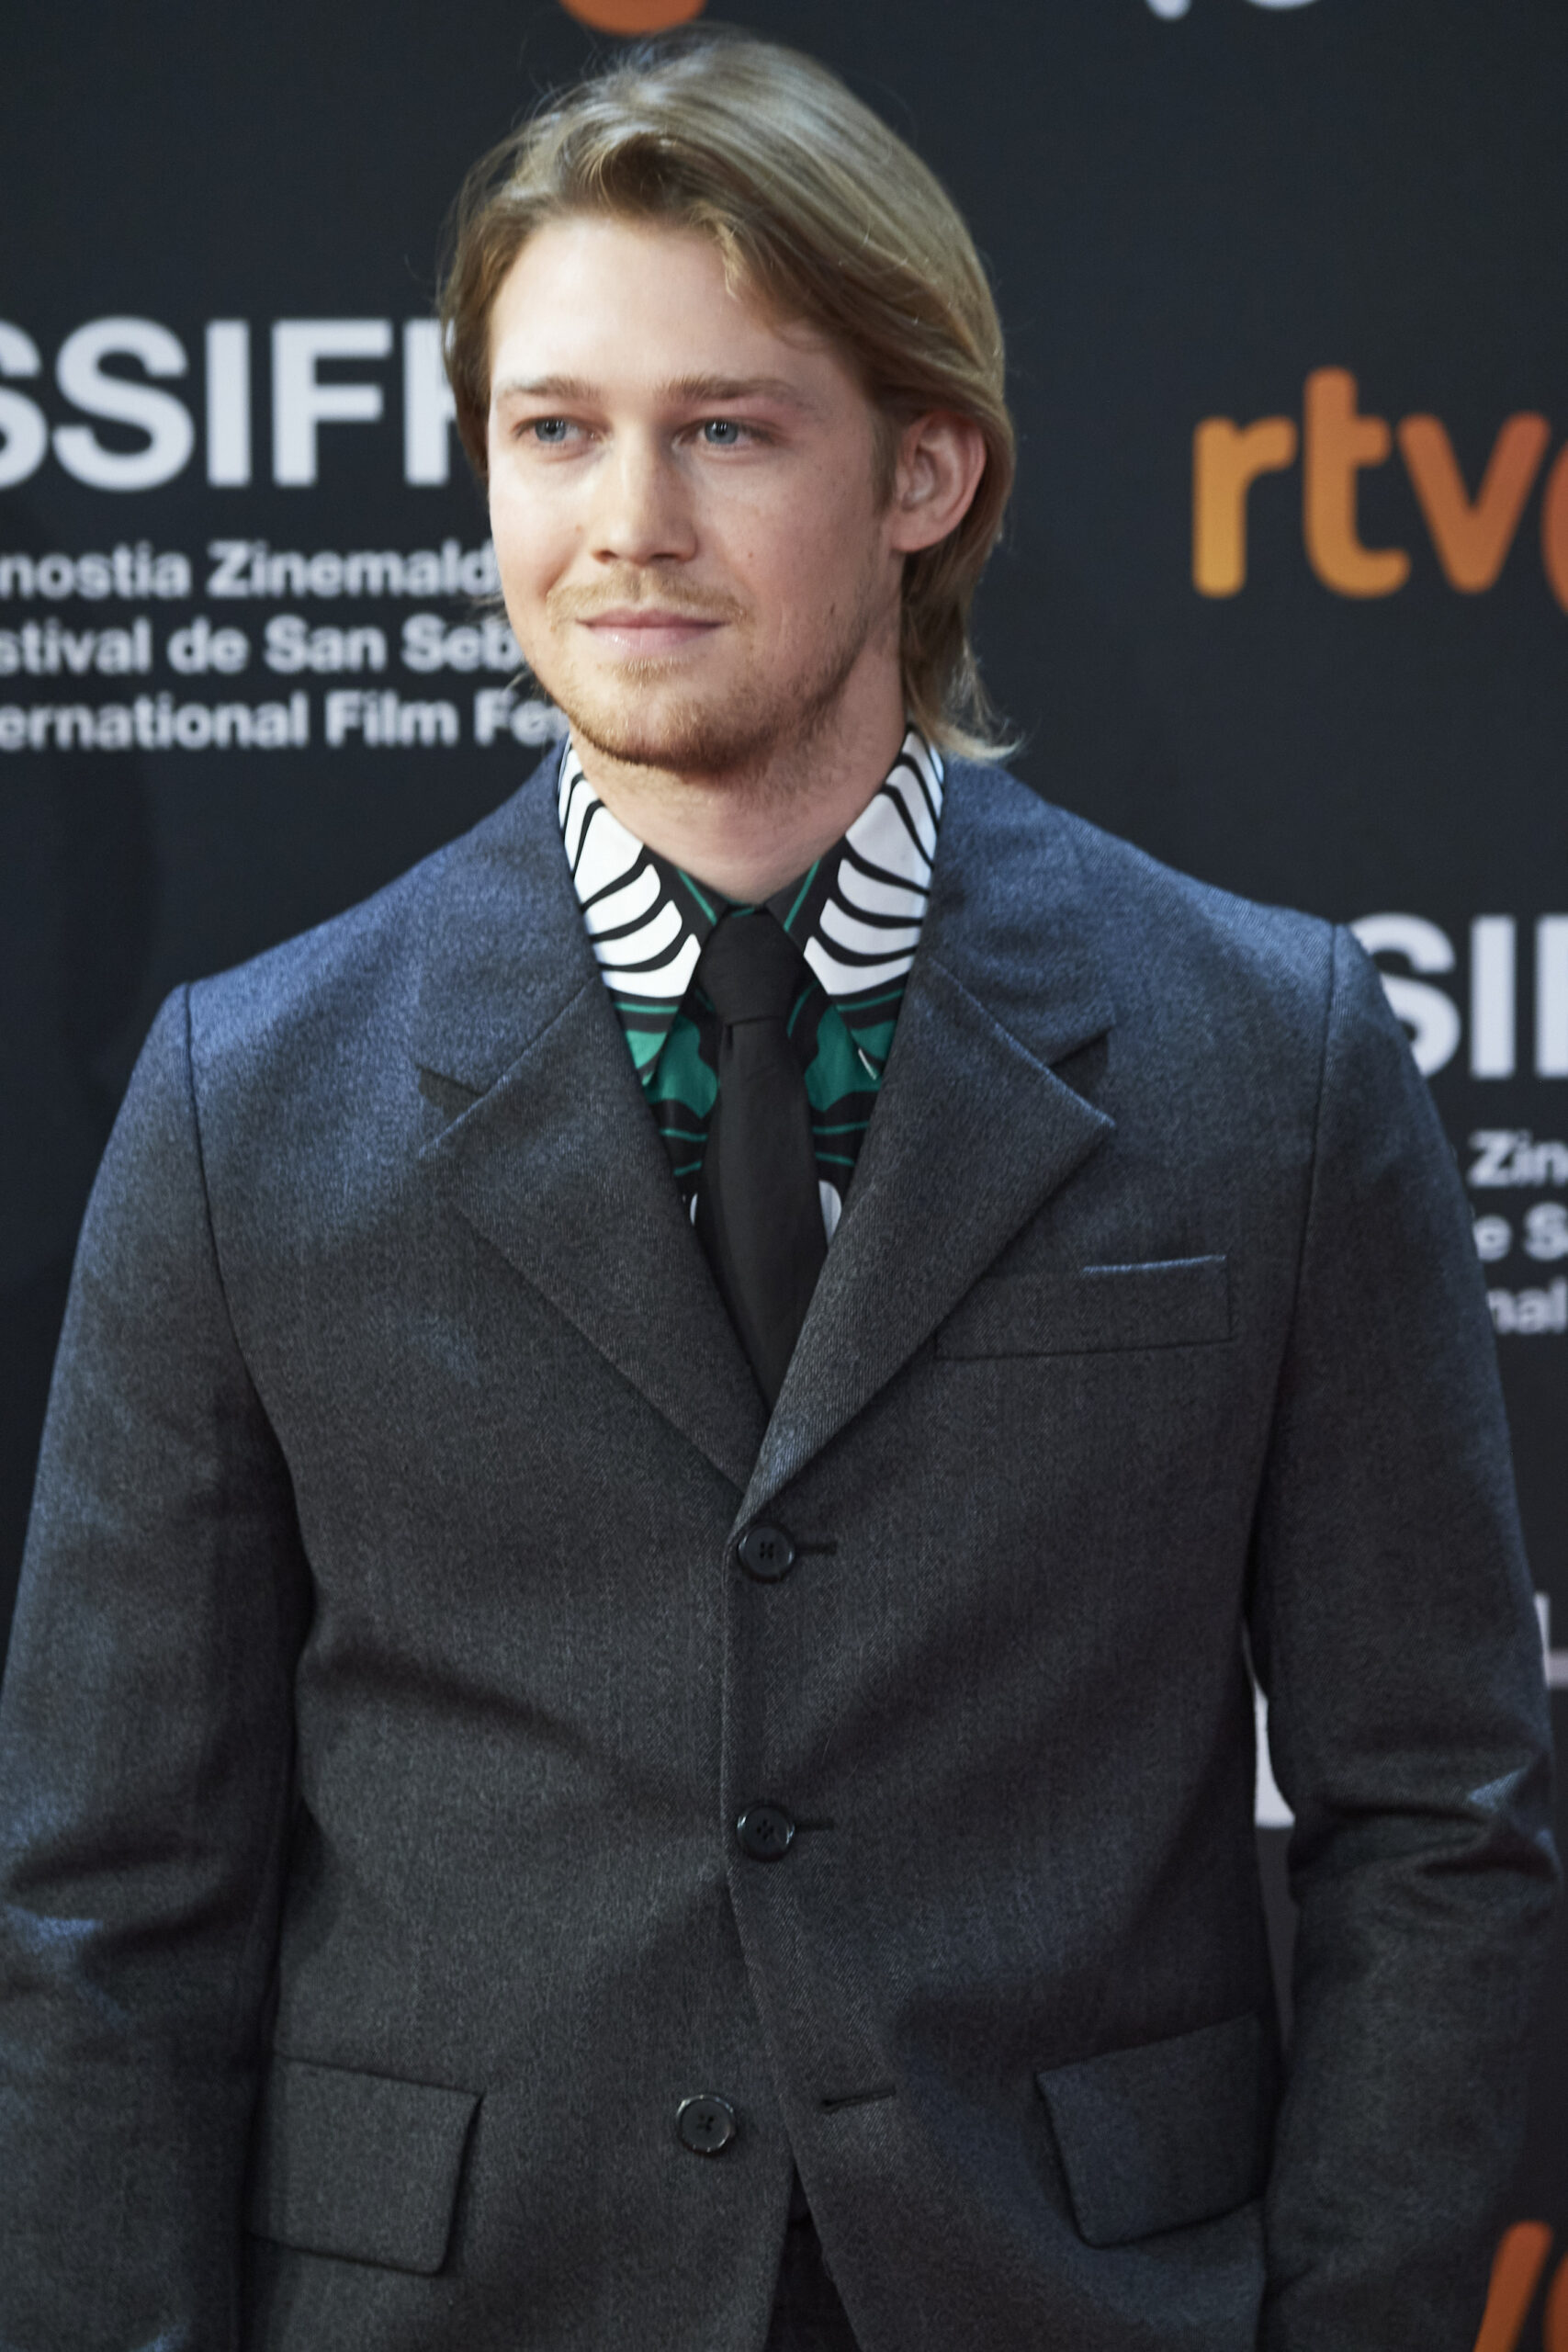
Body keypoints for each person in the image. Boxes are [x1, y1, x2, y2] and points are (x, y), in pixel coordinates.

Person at [0, 30, 1556, 2352]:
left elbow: (1433, 1811)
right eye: (553, 429)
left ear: (924, 467)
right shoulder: (251, 1094)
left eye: (724, 426)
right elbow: (109, 1909)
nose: (624, 516)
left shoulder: (1268, 1049)